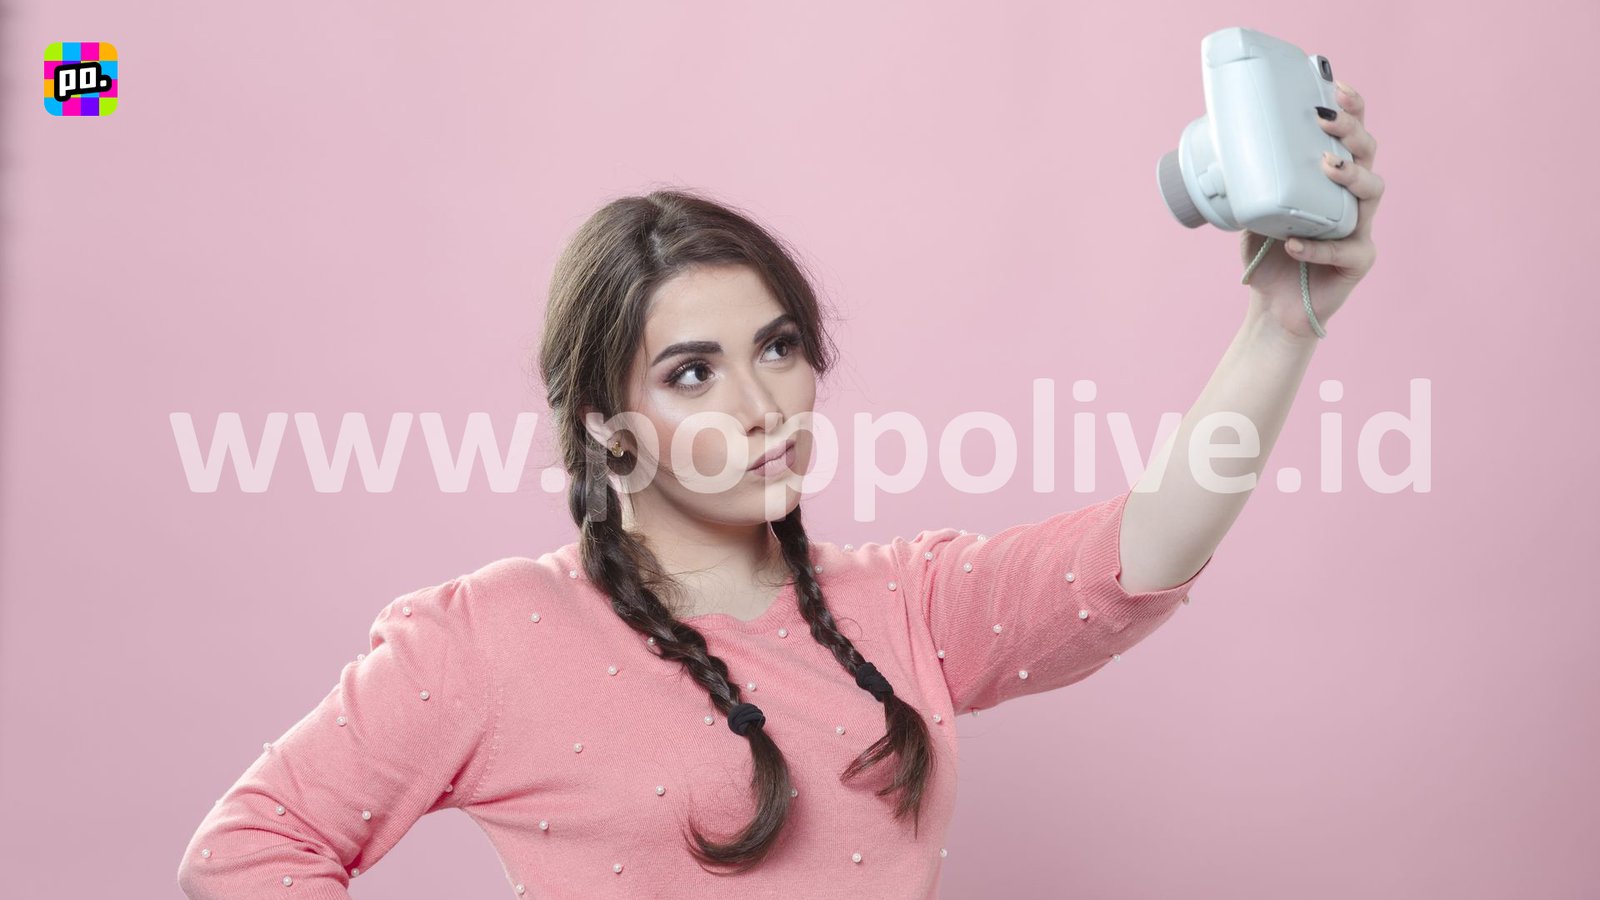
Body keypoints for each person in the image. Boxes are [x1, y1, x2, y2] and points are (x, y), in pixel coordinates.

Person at [176, 83, 1383, 898]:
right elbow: (250, 848)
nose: (763, 403)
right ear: (603, 423)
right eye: (691, 372)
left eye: (778, 346)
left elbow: (1134, 555)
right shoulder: (483, 638)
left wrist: (1281, 323)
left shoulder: (905, 604)